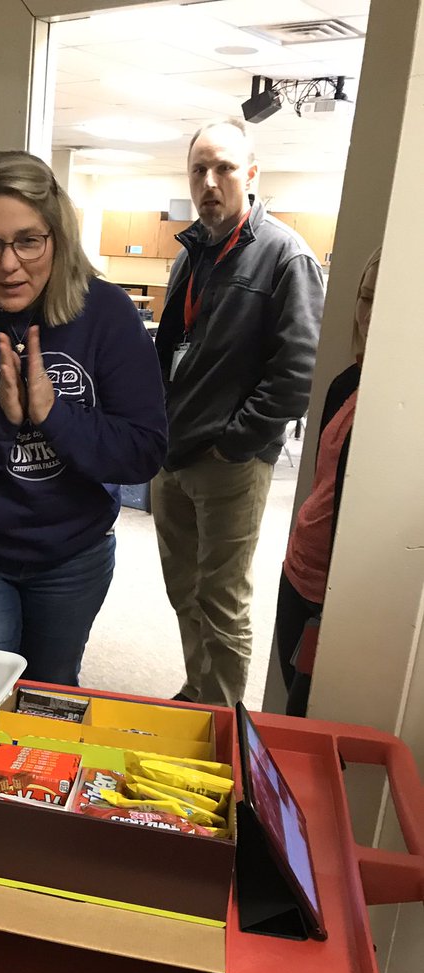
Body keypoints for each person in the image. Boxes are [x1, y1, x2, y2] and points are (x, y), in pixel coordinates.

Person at [0, 150, 167, 686]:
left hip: (74, 555)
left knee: (50, 695)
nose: (9, 264)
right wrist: (0, 421)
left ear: (57, 239)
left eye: (28, 241)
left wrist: (54, 415)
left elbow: (143, 452)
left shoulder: (106, 314)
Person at [152, 119, 325, 707]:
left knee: (222, 599)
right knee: (184, 589)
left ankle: (223, 715)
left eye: (223, 167)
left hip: (229, 462)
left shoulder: (284, 255)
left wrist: (235, 441)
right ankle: (198, 690)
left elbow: (298, 371)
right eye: (198, 169)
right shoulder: (192, 253)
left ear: (250, 174)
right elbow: (174, 350)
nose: (209, 181)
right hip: (173, 453)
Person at [275, 248, 380, 718]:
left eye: (387, 300)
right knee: (293, 706)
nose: (371, 315)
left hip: (339, 598)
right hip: (299, 570)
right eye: (366, 298)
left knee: (311, 716)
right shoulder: (346, 383)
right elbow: (323, 485)